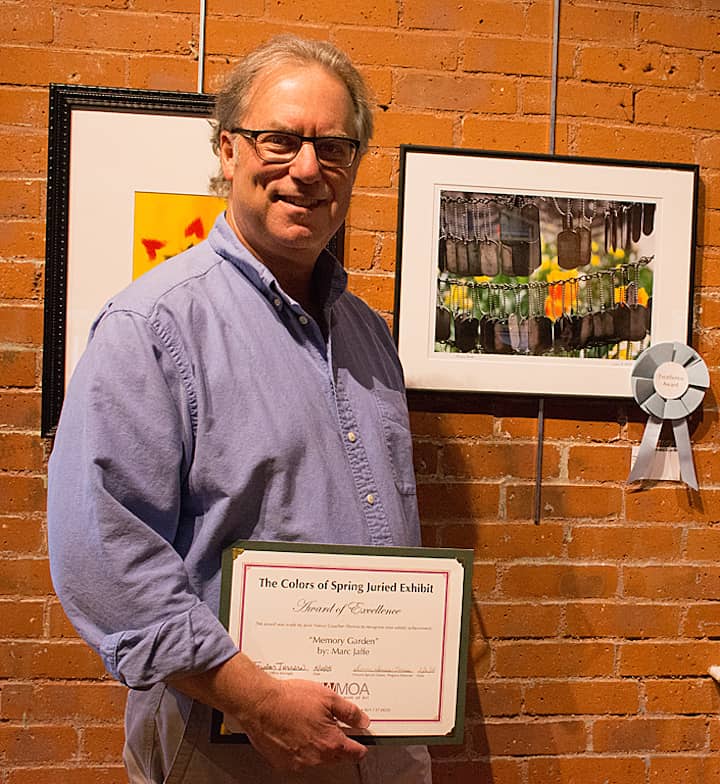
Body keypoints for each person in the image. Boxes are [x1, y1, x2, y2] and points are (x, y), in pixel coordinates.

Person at [47, 34, 432, 783]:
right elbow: (104, 555)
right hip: (229, 739)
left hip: (381, 737)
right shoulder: (152, 327)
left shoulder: (369, 335)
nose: (309, 169)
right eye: (280, 140)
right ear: (228, 150)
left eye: (334, 146)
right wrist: (255, 701)